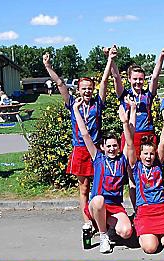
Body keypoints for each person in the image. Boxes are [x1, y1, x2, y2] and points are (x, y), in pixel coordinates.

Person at [43, 48, 113, 232]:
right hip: (80, 150)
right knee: (83, 189)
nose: (87, 91)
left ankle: (100, 219)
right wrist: (48, 66)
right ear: (78, 90)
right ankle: (87, 221)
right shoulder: (72, 103)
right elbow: (59, 83)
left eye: (90, 88)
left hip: (96, 151)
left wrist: (110, 59)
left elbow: (105, 81)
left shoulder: (98, 103)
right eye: (84, 89)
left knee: (99, 187)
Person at [73, 98, 133, 253]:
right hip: (97, 205)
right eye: (109, 146)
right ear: (102, 147)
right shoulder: (98, 157)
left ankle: (108, 226)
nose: (112, 149)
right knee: (99, 200)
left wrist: (129, 116)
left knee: (126, 232)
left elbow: (130, 138)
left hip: (114, 206)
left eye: (115, 145)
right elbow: (85, 134)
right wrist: (76, 110)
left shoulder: (122, 158)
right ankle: (103, 235)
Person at [129, 100, 164, 254]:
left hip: (162, 209)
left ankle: (157, 235)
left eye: (151, 153)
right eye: (145, 154)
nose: (149, 157)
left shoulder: (158, 164)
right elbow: (130, 144)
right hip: (145, 210)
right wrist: (128, 119)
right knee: (150, 248)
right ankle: (142, 229)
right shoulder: (135, 166)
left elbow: (162, 144)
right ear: (140, 155)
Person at [110, 47, 164, 154]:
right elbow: (116, 77)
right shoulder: (124, 94)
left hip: (147, 135)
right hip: (130, 135)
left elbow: (155, 77)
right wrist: (111, 59)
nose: (138, 82)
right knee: (129, 167)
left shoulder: (148, 95)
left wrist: (161, 57)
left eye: (141, 79)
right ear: (129, 79)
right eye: (135, 79)